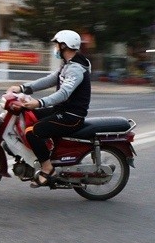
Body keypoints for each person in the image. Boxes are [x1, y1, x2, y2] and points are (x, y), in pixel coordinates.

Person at [6, 29, 92, 188]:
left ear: (64, 46)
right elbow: (49, 80)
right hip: (61, 111)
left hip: (71, 117)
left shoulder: (76, 69)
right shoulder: (68, 65)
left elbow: (64, 93)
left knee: (33, 132)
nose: (56, 48)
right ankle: (42, 155)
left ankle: (48, 168)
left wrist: (39, 103)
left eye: (57, 45)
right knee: (27, 114)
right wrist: (22, 88)